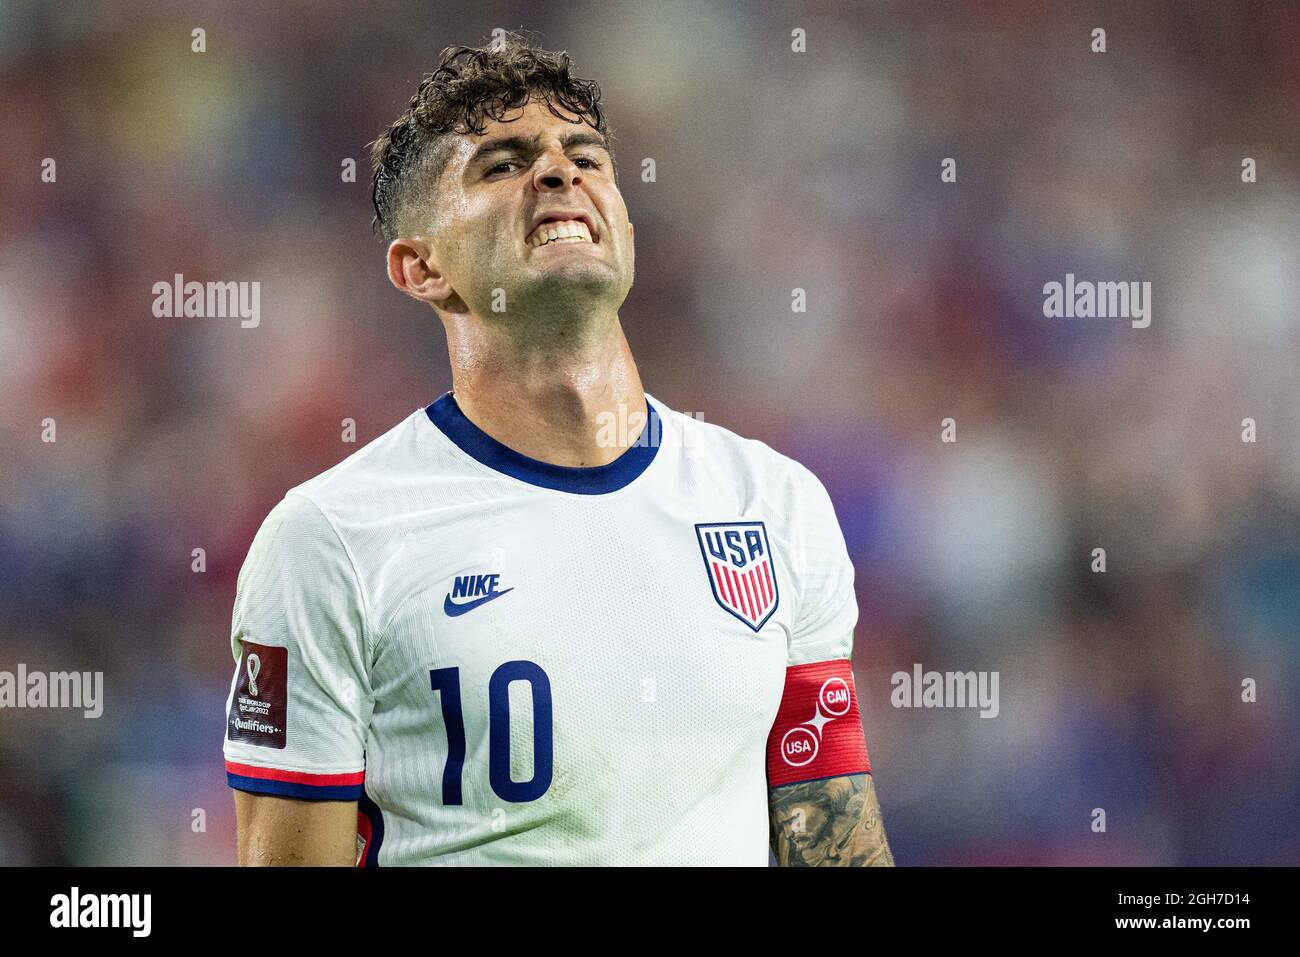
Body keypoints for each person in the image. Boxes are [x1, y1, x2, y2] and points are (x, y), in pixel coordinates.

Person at [223, 33, 893, 866]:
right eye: (500, 164)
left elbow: (830, 840)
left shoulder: (774, 504)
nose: (557, 172)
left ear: (624, 224)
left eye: (585, 155)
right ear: (421, 267)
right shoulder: (330, 540)